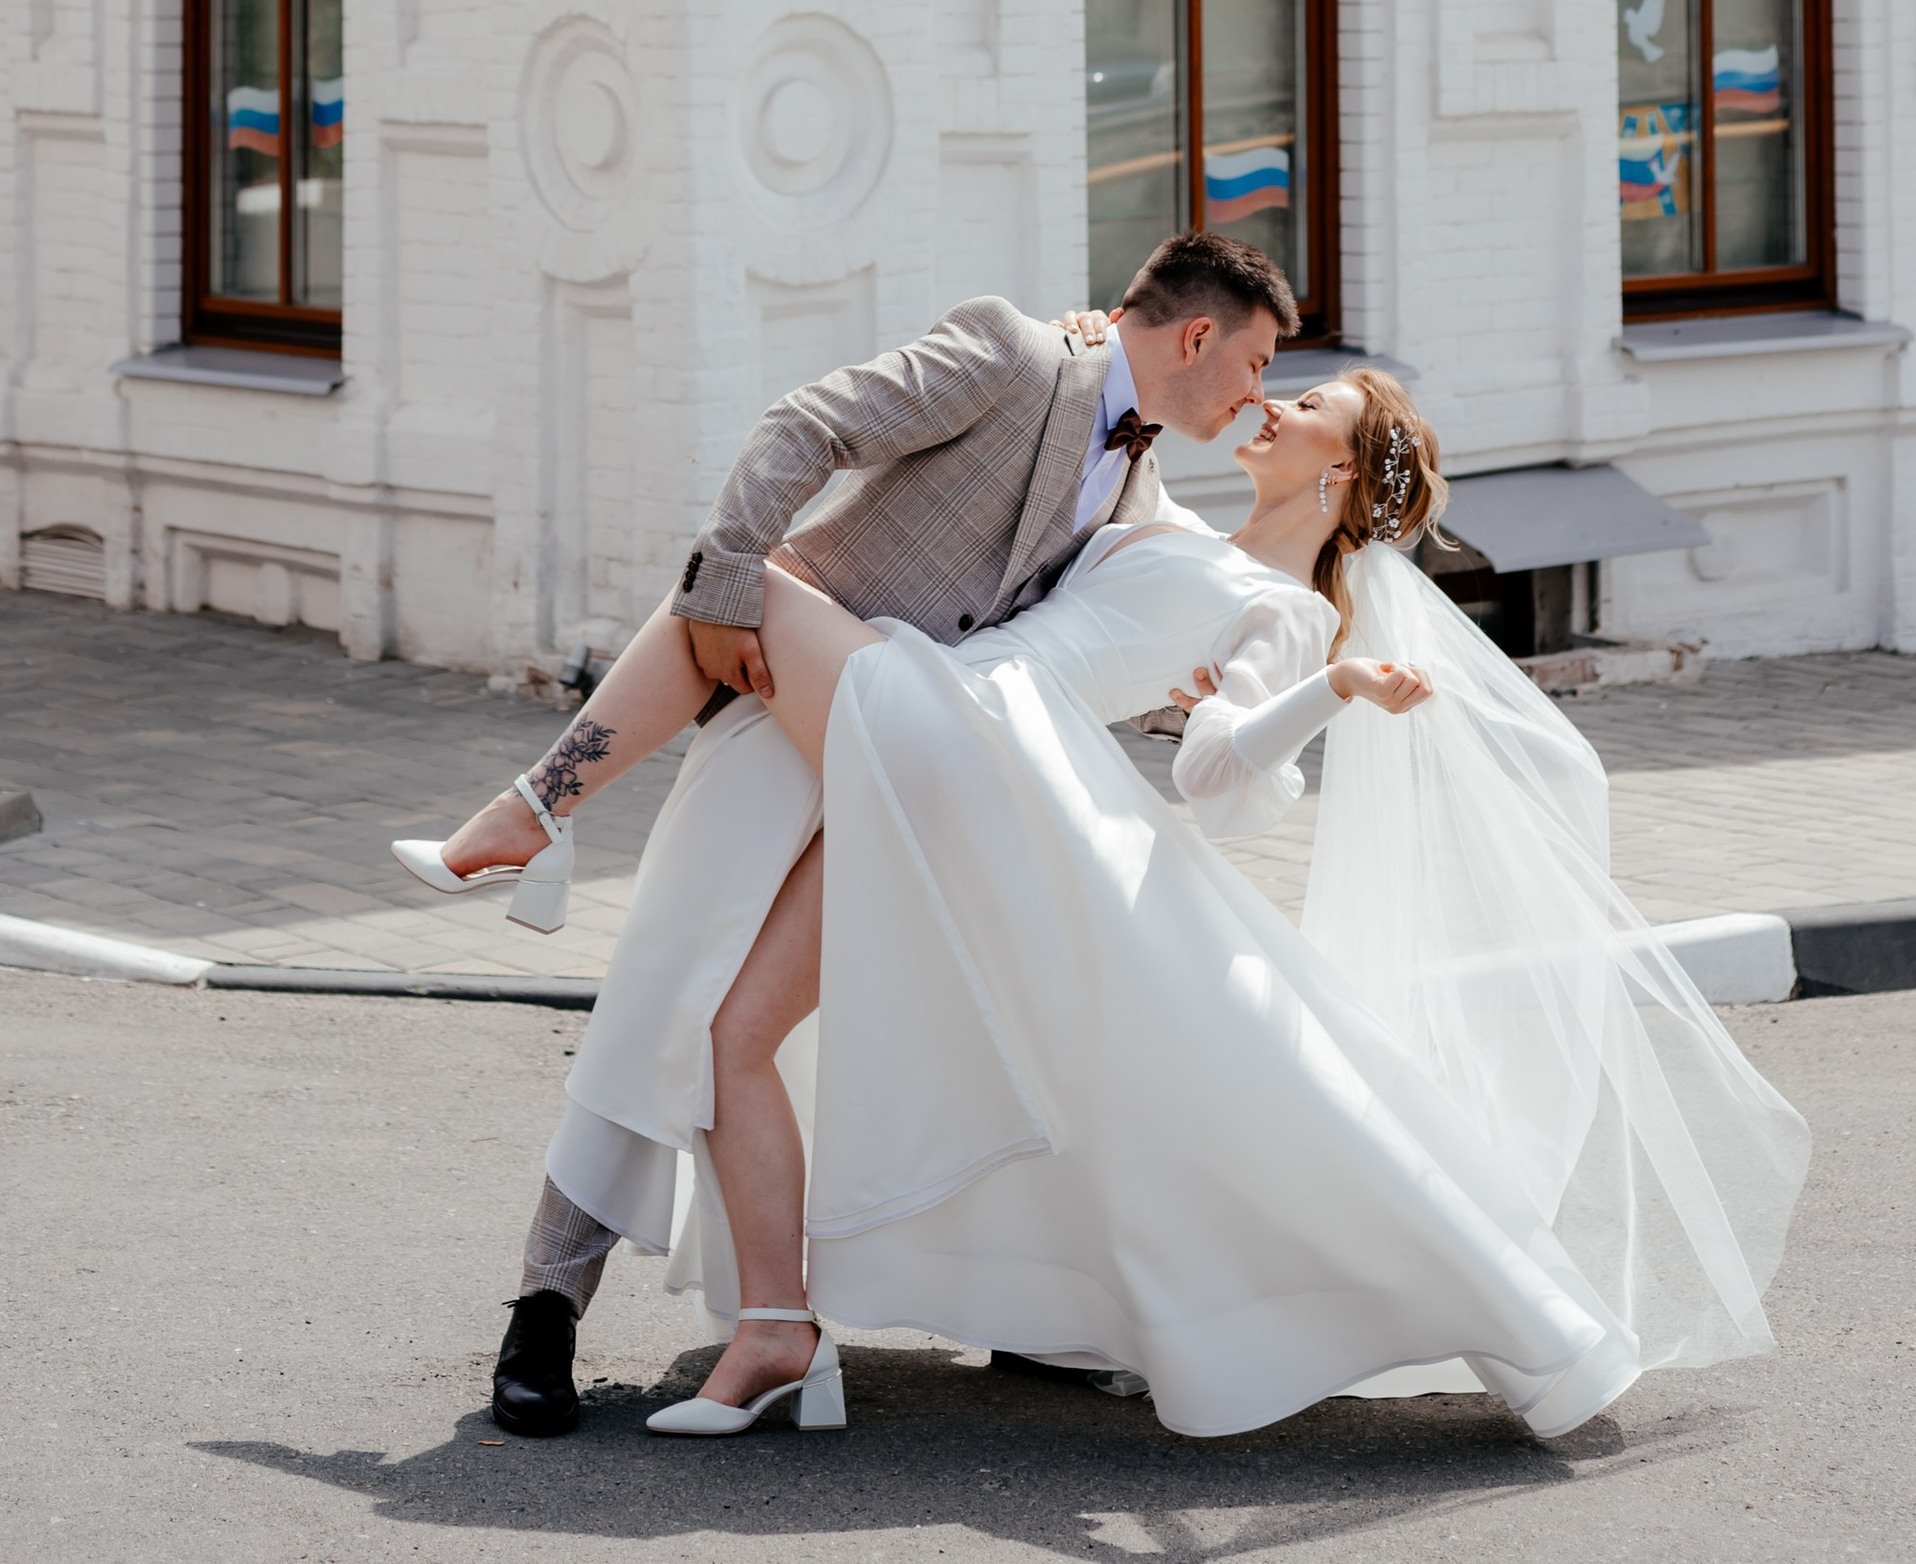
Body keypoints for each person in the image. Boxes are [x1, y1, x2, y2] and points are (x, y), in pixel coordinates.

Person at [543, 367, 1811, 1443]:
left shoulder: (1287, 611)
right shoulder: (1158, 518)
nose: (1267, 402)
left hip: (987, 762)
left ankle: (532, 818)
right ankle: (786, 1335)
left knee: (742, 580)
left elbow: (1217, 776)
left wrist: (1332, 688)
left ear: (1340, 470)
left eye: (1303, 401)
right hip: (952, 747)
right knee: (738, 1030)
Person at [392, 230, 1297, 1432]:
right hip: (787, 699)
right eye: (1257, 361)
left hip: (893, 747)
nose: (1256, 394)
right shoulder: (1014, 353)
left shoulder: (1138, 479)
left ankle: (1024, 1309)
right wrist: (723, 589)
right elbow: (803, 424)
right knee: (669, 990)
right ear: (1198, 334)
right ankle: (546, 1309)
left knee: (916, 1028)